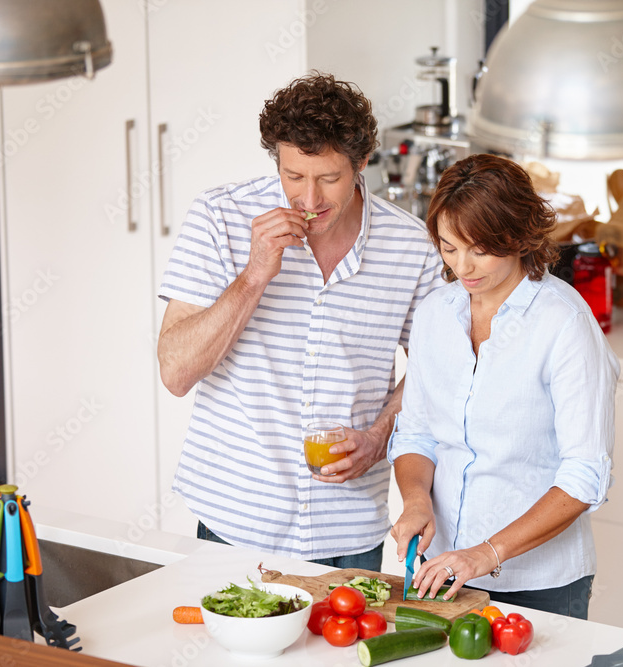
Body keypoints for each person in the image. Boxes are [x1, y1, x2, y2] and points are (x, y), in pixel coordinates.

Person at [157, 72, 444, 570]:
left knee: (341, 651)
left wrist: (379, 436)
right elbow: (175, 372)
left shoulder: (411, 244)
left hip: (348, 526)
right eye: (294, 176)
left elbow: (436, 369)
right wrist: (254, 276)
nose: (309, 200)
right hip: (234, 518)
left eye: (329, 179)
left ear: (361, 165)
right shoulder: (219, 217)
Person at [388, 153, 619, 619]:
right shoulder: (435, 313)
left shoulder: (564, 323)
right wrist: (416, 502)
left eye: (480, 249)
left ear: (518, 236)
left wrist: (484, 554)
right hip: (443, 572)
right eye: (449, 247)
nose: (463, 266)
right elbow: (417, 434)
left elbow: (584, 477)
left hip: (541, 584)